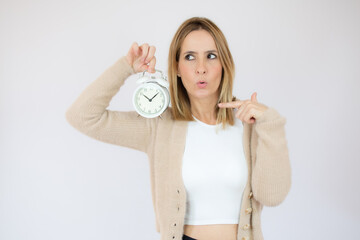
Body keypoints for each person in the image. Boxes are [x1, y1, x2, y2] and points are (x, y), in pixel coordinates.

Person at [65, 17, 291, 240]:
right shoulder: (160, 126)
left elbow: (272, 196)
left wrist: (270, 123)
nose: (201, 68)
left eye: (211, 56)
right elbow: (82, 116)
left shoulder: (249, 124)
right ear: (177, 67)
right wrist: (126, 67)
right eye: (190, 57)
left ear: (224, 64)